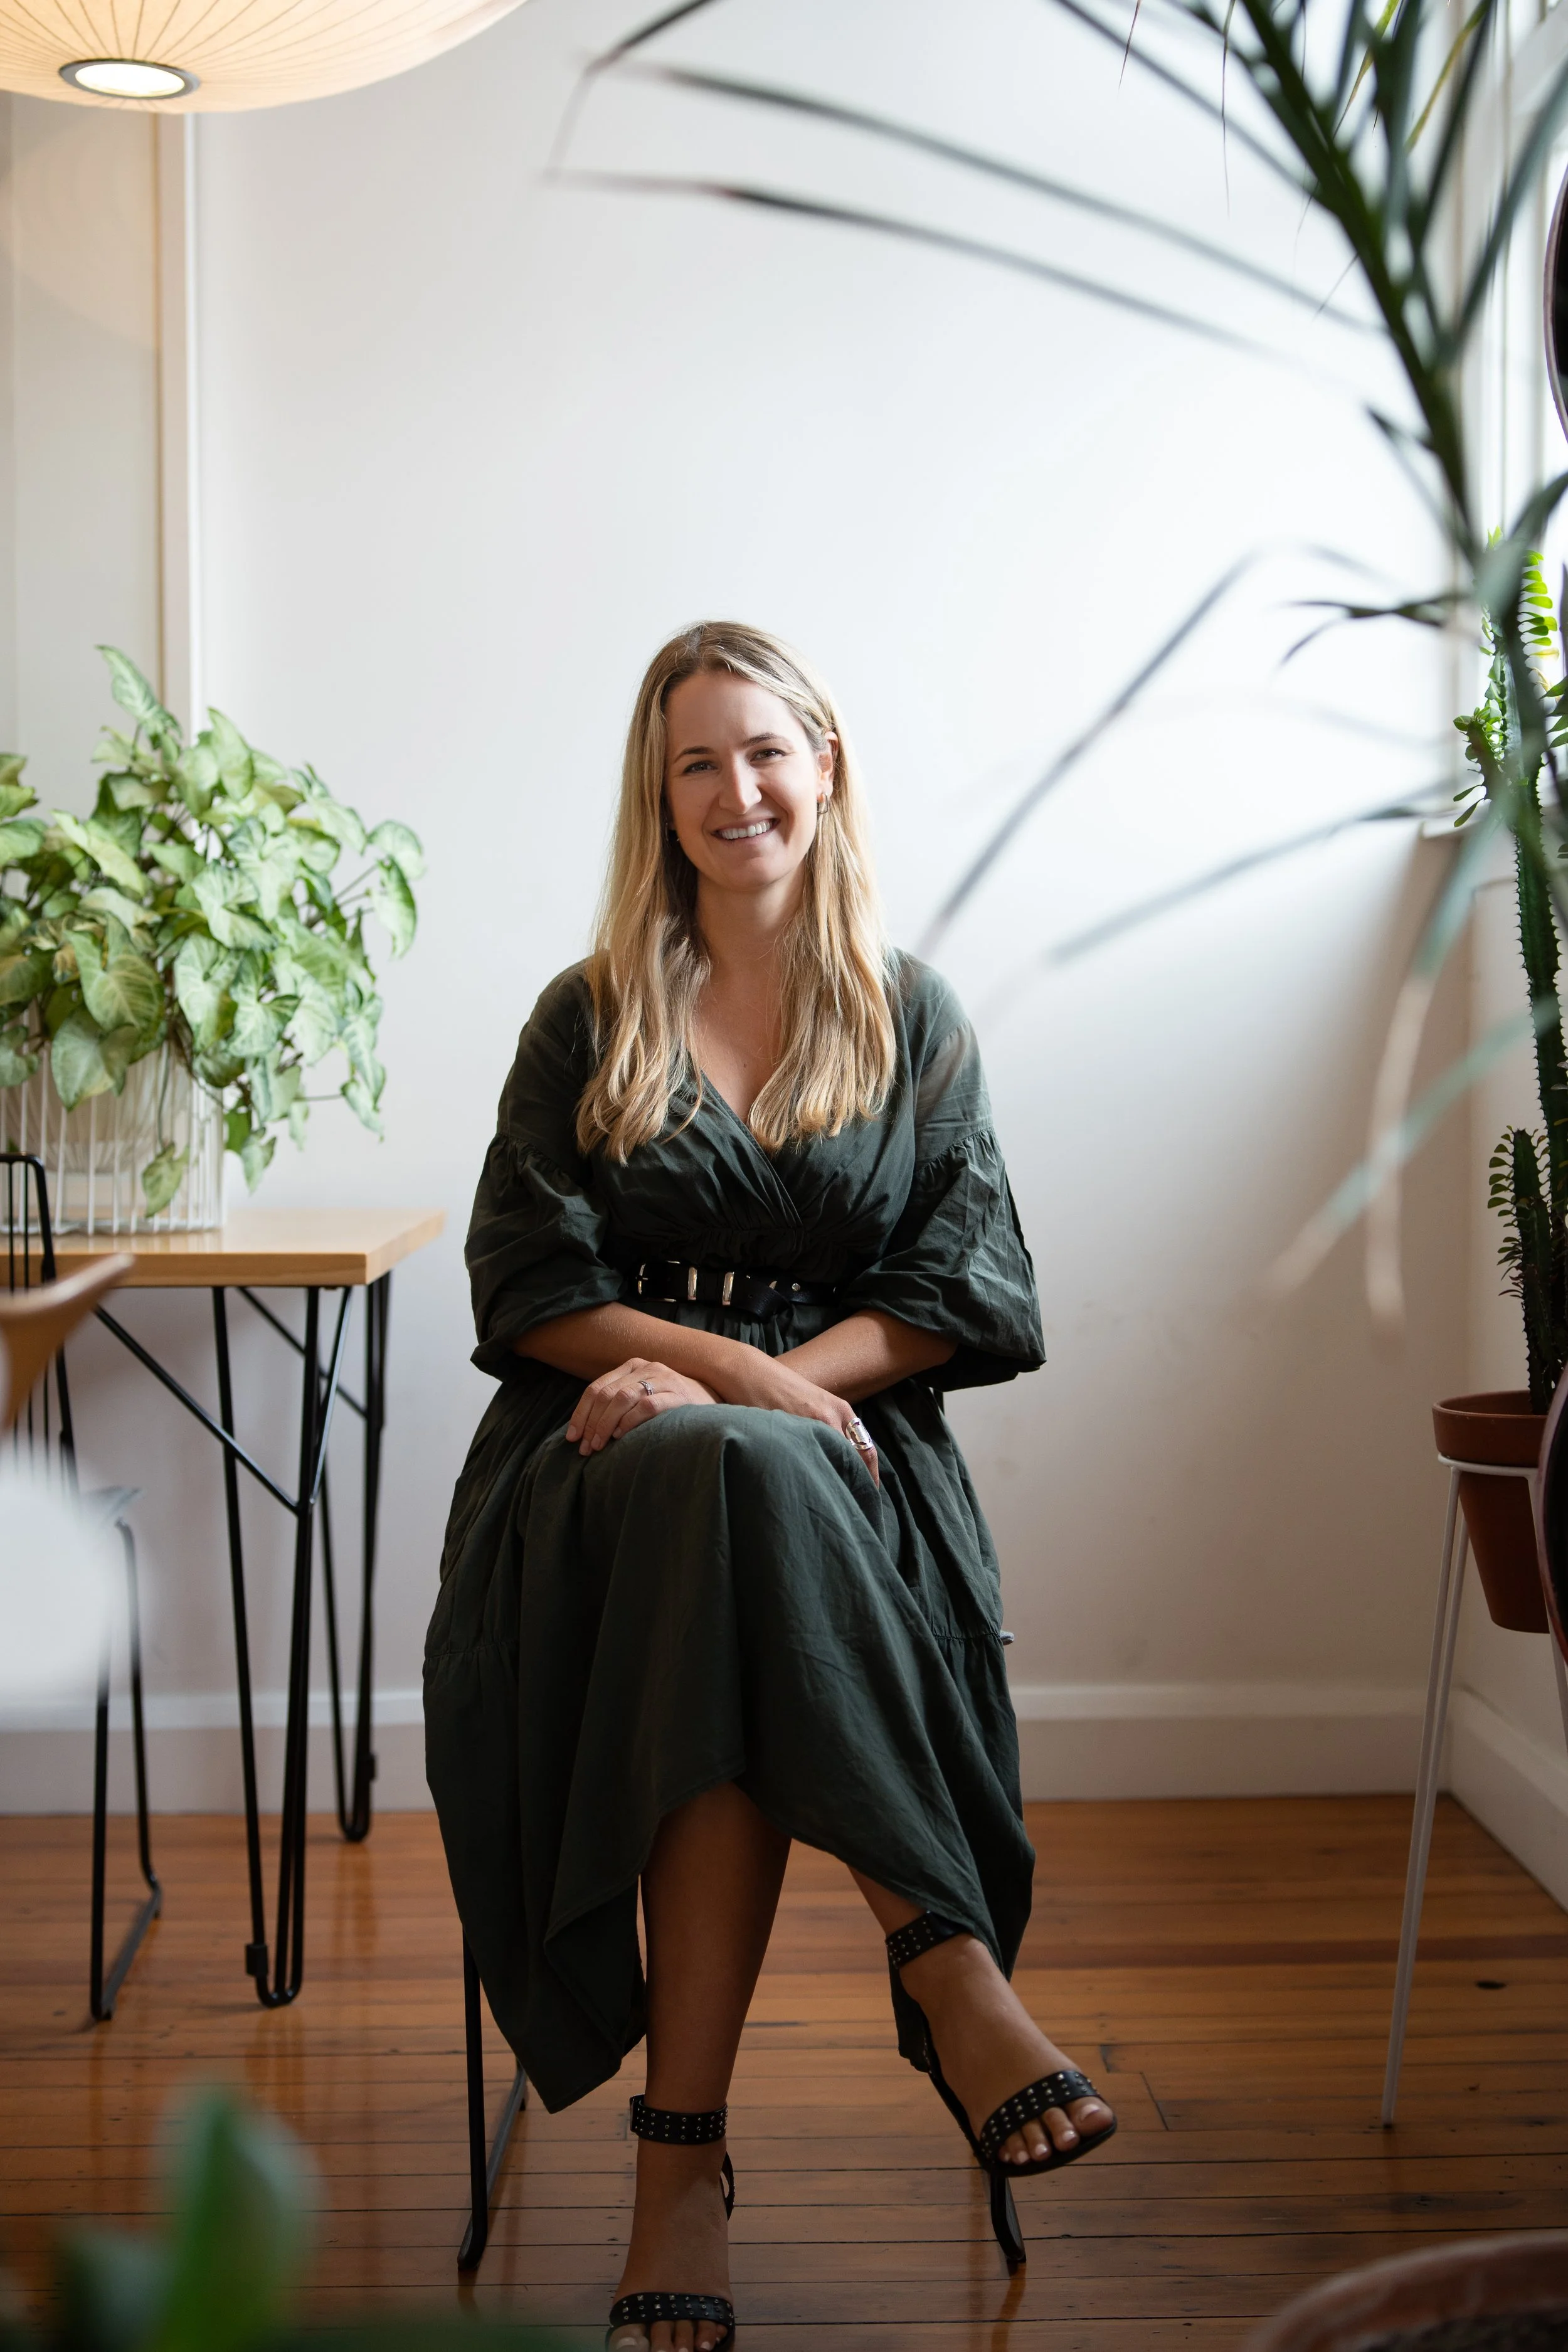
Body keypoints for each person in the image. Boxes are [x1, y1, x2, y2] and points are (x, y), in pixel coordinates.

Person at [425, 623, 1116, 2352]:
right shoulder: (584, 1015)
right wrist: (710, 1375)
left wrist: (756, 1394)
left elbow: (967, 1284)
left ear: (824, 767)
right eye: (695, 764)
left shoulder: (906, 1008)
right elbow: (525, 1281)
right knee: (706, 1481)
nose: (736, 791)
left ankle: (681, 2154)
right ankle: (945, 1962)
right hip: (590, 1465)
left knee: (725, 1529)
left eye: (763, 751)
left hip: (842, 1471)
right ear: (656, 804)